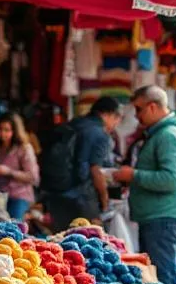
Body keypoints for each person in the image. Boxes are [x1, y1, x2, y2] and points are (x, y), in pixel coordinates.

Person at [114, 86, 176, 284]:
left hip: (164, 217)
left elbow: (170, 179)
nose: (137, 116)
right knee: (164, 276)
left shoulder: (169, 136)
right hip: (157, 216)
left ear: (152, 106)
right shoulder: (160, 134)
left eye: (139, 110)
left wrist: (134, 175)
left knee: (164, 278)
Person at [43, 97, 123, 231]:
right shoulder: (100, 134)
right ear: (107, 114)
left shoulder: (72, 124)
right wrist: (104, 199)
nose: (116, 124)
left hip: (56, 194)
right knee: (87, 242)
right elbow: (95, 170)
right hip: (83, 199)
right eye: (116, 118)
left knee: (61, 242)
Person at [0, 113, 40, 222]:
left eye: (7, 130)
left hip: (19, 196)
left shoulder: (24, 149)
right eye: (0, 129)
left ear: (15, 131)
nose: (3, 133)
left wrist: (9, 172)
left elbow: (33, 177)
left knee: (14, 225)